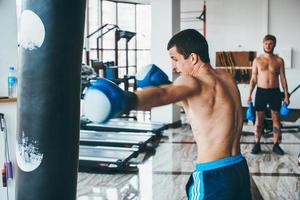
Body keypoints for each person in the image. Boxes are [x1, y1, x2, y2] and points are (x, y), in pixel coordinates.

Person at [84, 29, 251, 199]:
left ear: (192, 58)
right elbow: (195, 101)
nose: (174, 66)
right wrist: (166, 85)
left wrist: (126, 100)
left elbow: (163, 95)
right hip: (238, 168)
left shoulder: (192, 82)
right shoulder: (226, 77)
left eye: (175, 59)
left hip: (213, 175)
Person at [247, 34, 289, 155]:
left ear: (274, 45)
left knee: (276, 119)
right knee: (258, 120)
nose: (268, 46)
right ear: (263, 44)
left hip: (275, 92)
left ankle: (276, 144)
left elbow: (283, 79)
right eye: (266, 43)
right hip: (261, 92)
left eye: (270, 43)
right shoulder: (257, 60)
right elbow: (253, 79)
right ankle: (257, 144)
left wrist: (286, 95)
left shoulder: (279, 61)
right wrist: (249, 94)